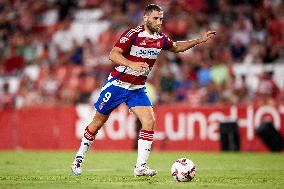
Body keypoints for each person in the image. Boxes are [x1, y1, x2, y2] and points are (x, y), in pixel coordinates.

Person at [71, 4, 216, 177]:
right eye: (156, 18)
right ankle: (79, 157)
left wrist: (199, 40)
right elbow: (113, 54)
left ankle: (140, 166)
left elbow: (177, 47)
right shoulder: (133, 34)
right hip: (117, 84)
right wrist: (132, 64)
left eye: (161, 18)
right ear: (146, 18)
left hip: (137, 88)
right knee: (98, 122)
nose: (159, 22)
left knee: (149, 121)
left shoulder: (161, 39)